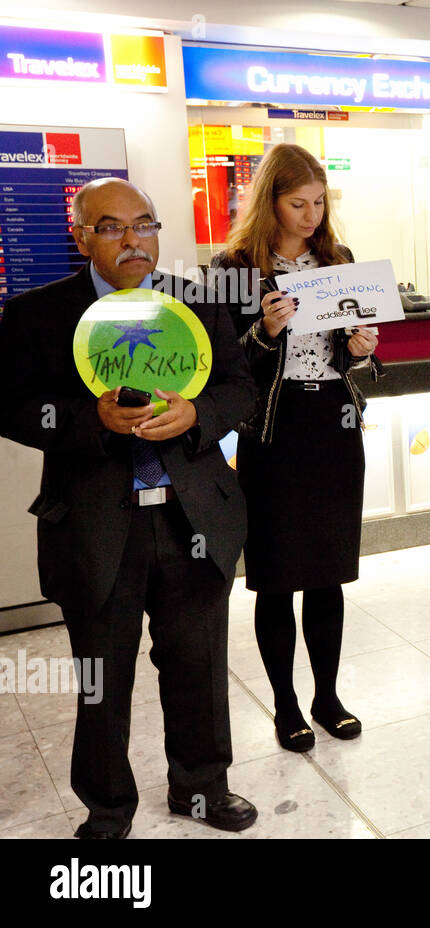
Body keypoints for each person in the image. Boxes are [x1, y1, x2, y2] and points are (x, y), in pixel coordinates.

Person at [0, 178, 258, 837]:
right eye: (112, 227)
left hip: (191, 516)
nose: (133, 238)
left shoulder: (195, 302)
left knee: (198, 669)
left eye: (144, 224)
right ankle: (108, 809)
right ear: (82, 236)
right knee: (101, 681)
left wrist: (198, 414)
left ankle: (201, 790)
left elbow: (240, 388)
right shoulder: (36, 314)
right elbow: (11, 405)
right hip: (94, 524)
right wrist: (93, 421)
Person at [209, 143, 380, 751]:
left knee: (328, 574)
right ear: (270, 203)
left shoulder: (339, 261)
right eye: (297, 203)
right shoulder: (233, 268)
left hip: (333, 427)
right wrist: (265, 331)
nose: (311, 216)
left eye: (319, 203)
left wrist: (361, 351)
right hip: (272, 434)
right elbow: (222, 371)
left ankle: (327, 695)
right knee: (277, 576)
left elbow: (353, 356)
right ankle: (284, 704)